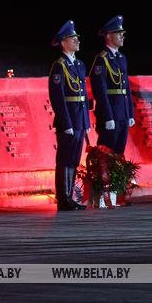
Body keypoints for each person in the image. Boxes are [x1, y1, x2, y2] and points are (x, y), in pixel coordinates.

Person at [49, 20, 90, 211]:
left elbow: (83, 96)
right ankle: (63, 198)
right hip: (69, 120)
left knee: (74, 158)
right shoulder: (59, 66)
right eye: (73, 39)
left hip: (80, 119)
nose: (77, 41)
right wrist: (66, 123)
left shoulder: (79, 64)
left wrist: (86, 122)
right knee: (65, 158)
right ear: (64, 42)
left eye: (77, 38)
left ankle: (70, 196)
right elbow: (58, 98)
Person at [90, 16, 135, 156]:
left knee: (119, 153)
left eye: (123, 33)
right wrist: (108, 116)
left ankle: (118, 179)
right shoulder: (102, 59)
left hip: (122, 113)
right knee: (105, 154)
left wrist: (130, 113)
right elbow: (100, 91)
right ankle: (102, 179)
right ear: (109, 36)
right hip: (111, 113)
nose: (122, 36)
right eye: (119, 33)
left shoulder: (121, 58)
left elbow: (126, 88)